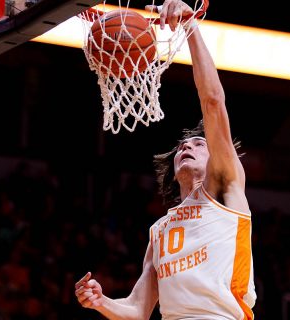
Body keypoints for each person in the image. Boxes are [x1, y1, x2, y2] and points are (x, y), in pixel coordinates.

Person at [75, 0, 257, 318]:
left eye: (200, 143)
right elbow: (138, 308)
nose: (187, 147)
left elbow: (212, 100)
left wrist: (190, 26)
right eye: (182, 146)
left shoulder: (225, 191)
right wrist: (100, 302)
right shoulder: (160, 230)